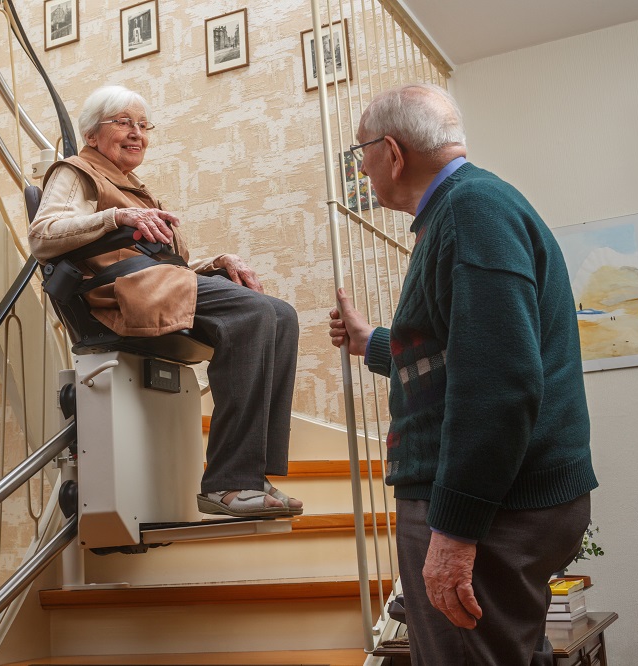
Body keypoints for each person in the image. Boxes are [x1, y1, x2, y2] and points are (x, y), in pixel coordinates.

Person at [327, 83, 598, 665]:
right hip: (505, 498)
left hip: (496, 506)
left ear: (393, 153)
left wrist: (454, 531)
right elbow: (459, 357)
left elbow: (498, 387)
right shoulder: (469, 210)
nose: (362, 166)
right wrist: (370, 342)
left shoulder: (471, 212)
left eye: (362, 151)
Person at [30, 84, 301, 519]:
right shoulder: (76, 171)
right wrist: (115, 216)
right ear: (93, 134)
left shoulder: (136, 188)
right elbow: (42, 234)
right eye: (123, 123)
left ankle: (252, 476)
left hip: (157, 282)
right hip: (122, 292)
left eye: (143, 125)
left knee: (281, 315)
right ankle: (229, 484)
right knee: (252, 313)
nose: (136, 133)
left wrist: (218, 262)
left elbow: (171, 264)